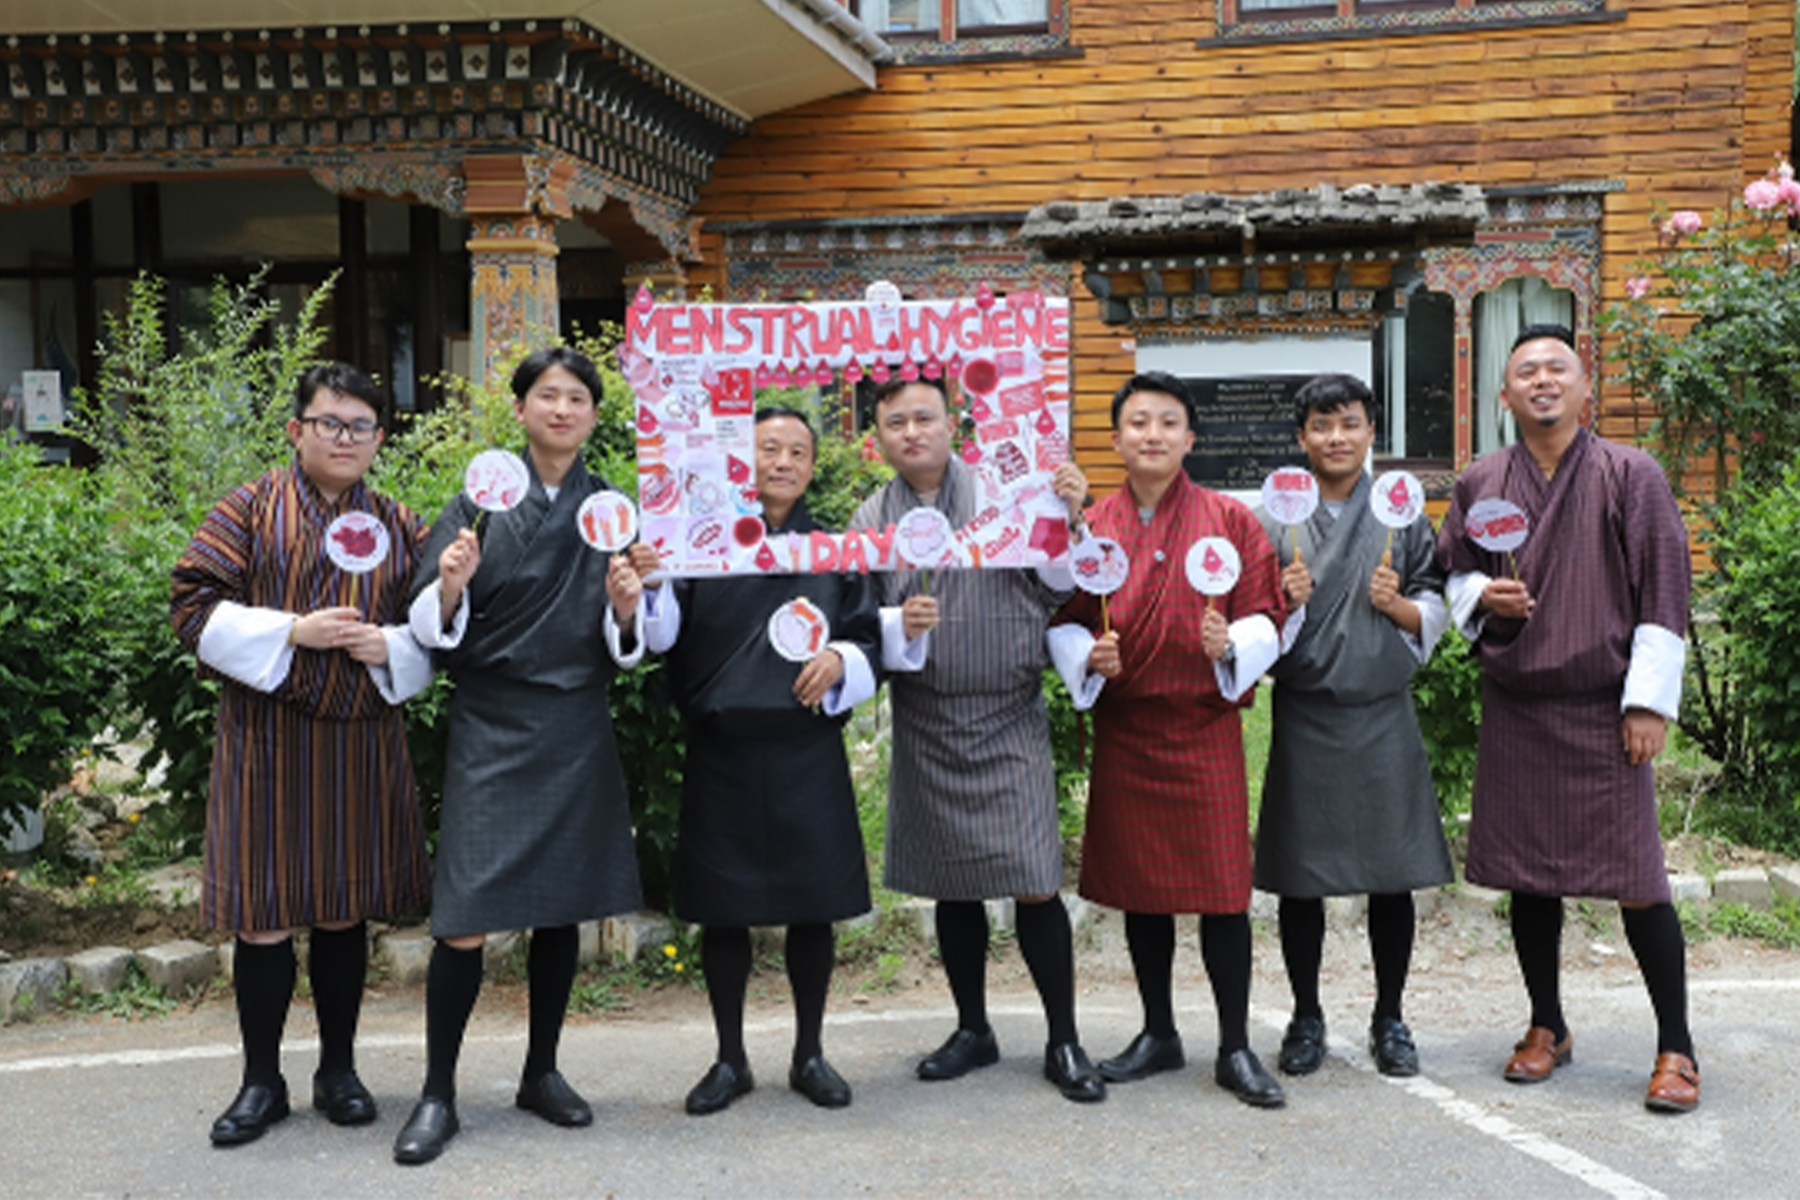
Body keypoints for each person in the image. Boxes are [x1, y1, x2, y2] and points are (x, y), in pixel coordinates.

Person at [394, 346, 647, 1164]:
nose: (563, 409)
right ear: (523, 409)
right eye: (548, 395)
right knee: (463, 919)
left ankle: (542, 1071)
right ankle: (438, 1093)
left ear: (594, 416)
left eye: (578, 397)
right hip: (492, 720)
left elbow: (632, 642)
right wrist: (452, 585)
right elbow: (425, 622)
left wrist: (625, 609)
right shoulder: (480, 502)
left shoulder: (609, 508)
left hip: (575, 718)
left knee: (561, 906)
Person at [171, 362, 434, 1147]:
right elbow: (192, 602)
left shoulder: (399, 519)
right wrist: (293, 630)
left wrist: (382, 641)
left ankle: (339, 1071)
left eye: (361, 426)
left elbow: (435, 624)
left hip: (359, 734)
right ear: (297, 430)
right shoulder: (248, 509)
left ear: (380, 439)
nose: (346, 438)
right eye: (330, 423)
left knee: (343, 909)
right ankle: (261, 1081)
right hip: (267, 735)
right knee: (263, 919)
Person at [1436, 324, 1696, 1113]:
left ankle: (1676, 1046)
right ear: (1504, 395)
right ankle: (1547, 1025)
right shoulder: (1484, 481)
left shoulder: (1631, 474)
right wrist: (1485, 597)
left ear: (1587, 389)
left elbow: (1664, 589)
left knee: (1640, 884)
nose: (1543, 382)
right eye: (1526, 373)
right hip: (1518, 706)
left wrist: (1648, 702)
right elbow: (1452, 571)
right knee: (1529, 880)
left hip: (1603, 706)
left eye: (1558, 369)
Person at [849, 375, 1105, 1103]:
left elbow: (1060, 583)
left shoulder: (1010, 492)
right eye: (895, 421)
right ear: (879, 436)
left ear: (953, 422)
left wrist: (1068, 512)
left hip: (1008, 712)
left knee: (1032, 882)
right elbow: (864, 617)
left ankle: (1064, 1037)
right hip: (927, 717)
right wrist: (903, 627)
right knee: (950, 886)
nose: (911, 432)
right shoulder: (873, 514)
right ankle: (973, 1028)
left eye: (924, 416)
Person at [1051, 371, 1288, 1108]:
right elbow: (1064, 614)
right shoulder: (1092, 527)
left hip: (1203, 727)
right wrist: (1088, 655)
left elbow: (1267, 615)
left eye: (1167, 423)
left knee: (1223, 897)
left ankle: (1235, 1045)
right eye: (1138, 423)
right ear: (1117, 437)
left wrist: (1232, 643)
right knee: (1142, 896)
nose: (1151, 435)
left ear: (1191, 437)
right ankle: (1158, 1032)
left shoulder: (1229, 519)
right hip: (1129, 729)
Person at [639, 406, 881, 1116]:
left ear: (812, 466)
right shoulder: (701, 541)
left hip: (807, 746)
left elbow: (869, 634)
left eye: (796, 451)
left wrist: (842, 657)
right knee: (725, 914)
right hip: (723, 750)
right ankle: (730, 1058)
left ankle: (810, 1053)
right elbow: (664, 636)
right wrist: (653, 583)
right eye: (766, 448)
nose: (781, 461)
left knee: (816, 911)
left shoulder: (835, 550)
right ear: (740, 462)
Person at [1250, 373, 1454, 1080]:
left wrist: (1399, 606)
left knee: (1391, 875)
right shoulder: (1276, 519)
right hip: (1306, 713)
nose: (1336, 438)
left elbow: (1433, 601)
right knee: (1300, 878)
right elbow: (1252, 619)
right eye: (1321, 426)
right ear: (1302, 436)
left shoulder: (1401, 512)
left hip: (1381, 713)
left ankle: (1389, 1015)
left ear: (1372, 431)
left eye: (1350, 424)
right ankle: (1306, 1015)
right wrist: (1283, 599)